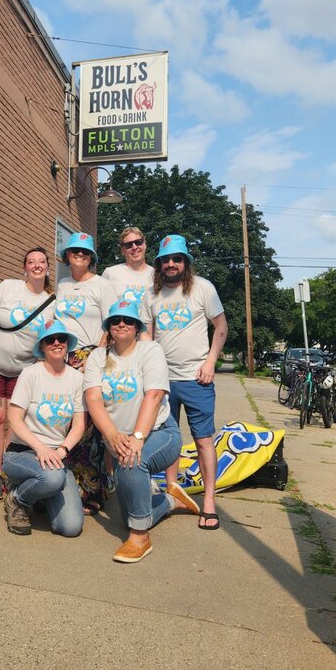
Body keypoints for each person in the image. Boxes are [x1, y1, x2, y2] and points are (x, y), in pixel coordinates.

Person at [84, 299, 197, 563]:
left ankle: (140, 539)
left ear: (137, 327)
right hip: (119, 439)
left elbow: (155, 394)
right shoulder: (97, 357)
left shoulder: (150, 350)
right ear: (108, 328)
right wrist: (111, 434)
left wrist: (137, 438)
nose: (121, 324)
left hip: (160, 432)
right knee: (131, 515)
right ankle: (171, 501)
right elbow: (93, 399)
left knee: (132, 463)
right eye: (115, 320)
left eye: (128, 320)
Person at [149, 235, 228, 530]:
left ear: (186, 262)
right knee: (168, 438)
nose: (171, 264)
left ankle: (209, 500)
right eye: (166, 259)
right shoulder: (151, 295)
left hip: (197, 377)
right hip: (162, 380)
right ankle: (172, 491)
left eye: (177, 259)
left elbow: (221, 326)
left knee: (204, 439)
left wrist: (210, 362)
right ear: (159, 264)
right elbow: (147, 335)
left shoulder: (203, 288)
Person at [3, 319, 85, 537]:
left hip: (57, 457)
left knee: (71, 527)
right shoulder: (30, 374)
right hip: (23, 452)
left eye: (62, 339)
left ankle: (40, 494)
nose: (56, 343)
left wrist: (62, 450)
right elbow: (14, 418)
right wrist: (40, 448)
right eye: (50, 340)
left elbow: (79, 424)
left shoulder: (77, 379)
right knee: (52, 478)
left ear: (68, 344)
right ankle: (16, 499)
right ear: (42, 346)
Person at [54, 231, 117, 513]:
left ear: (91, 258)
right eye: (74, 251)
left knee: (91, 425)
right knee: (68, 420)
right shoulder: (62, 285)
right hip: (62, 359)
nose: (79, 256)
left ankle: (94, 489)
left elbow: (111, 324)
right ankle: (68, 484)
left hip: (91, 356)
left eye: (84, 252)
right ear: (67, 256)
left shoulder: (102, 285)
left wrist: (94, 358)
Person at [0, 248, 55, 500]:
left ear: (48, 268)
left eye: (41, 262)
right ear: (24, 268)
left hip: (23, 371)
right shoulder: (7, 288)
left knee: (15, 424)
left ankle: (7, 470)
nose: (36, 265)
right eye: (31, 262)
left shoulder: (51, 303)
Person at [101, 226, 154, 333]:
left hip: (149, 340)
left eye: (138, 242)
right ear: (122, 250)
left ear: (144, 244)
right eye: (128, 245)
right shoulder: (110, 273)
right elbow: (103, 312)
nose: (134, 247)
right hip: (119, 339)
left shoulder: (157, 275)